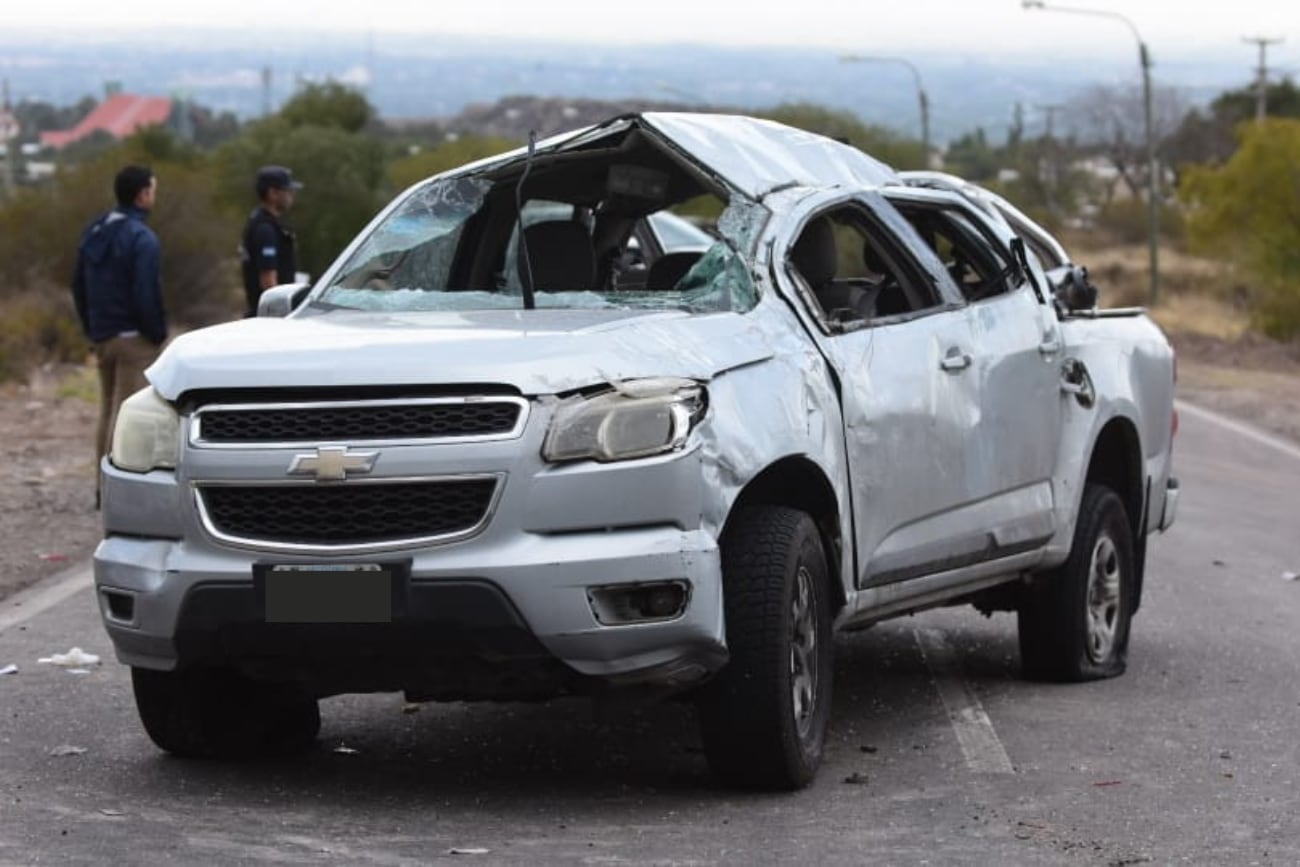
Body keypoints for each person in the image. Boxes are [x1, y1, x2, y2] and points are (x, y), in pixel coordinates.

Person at [71, 164, 166, 474]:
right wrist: (156, 333)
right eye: (152, 190)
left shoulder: (96, 229)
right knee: (128, 416)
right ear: (142, 195)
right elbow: (145, 292)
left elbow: (78, 284)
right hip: (133, 339)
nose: (154, 196)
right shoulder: (142, 238)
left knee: (107, 410)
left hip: (102, 335)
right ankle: (120, 487)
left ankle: (101, 483)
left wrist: (92, 328)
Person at [239, 165, 302, 316]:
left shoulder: (268, 223)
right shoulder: (265, 229)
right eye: (287, 191)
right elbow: (268, 281)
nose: (291, 196)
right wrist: (281, 313)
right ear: (272, 193)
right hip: (270, 316)